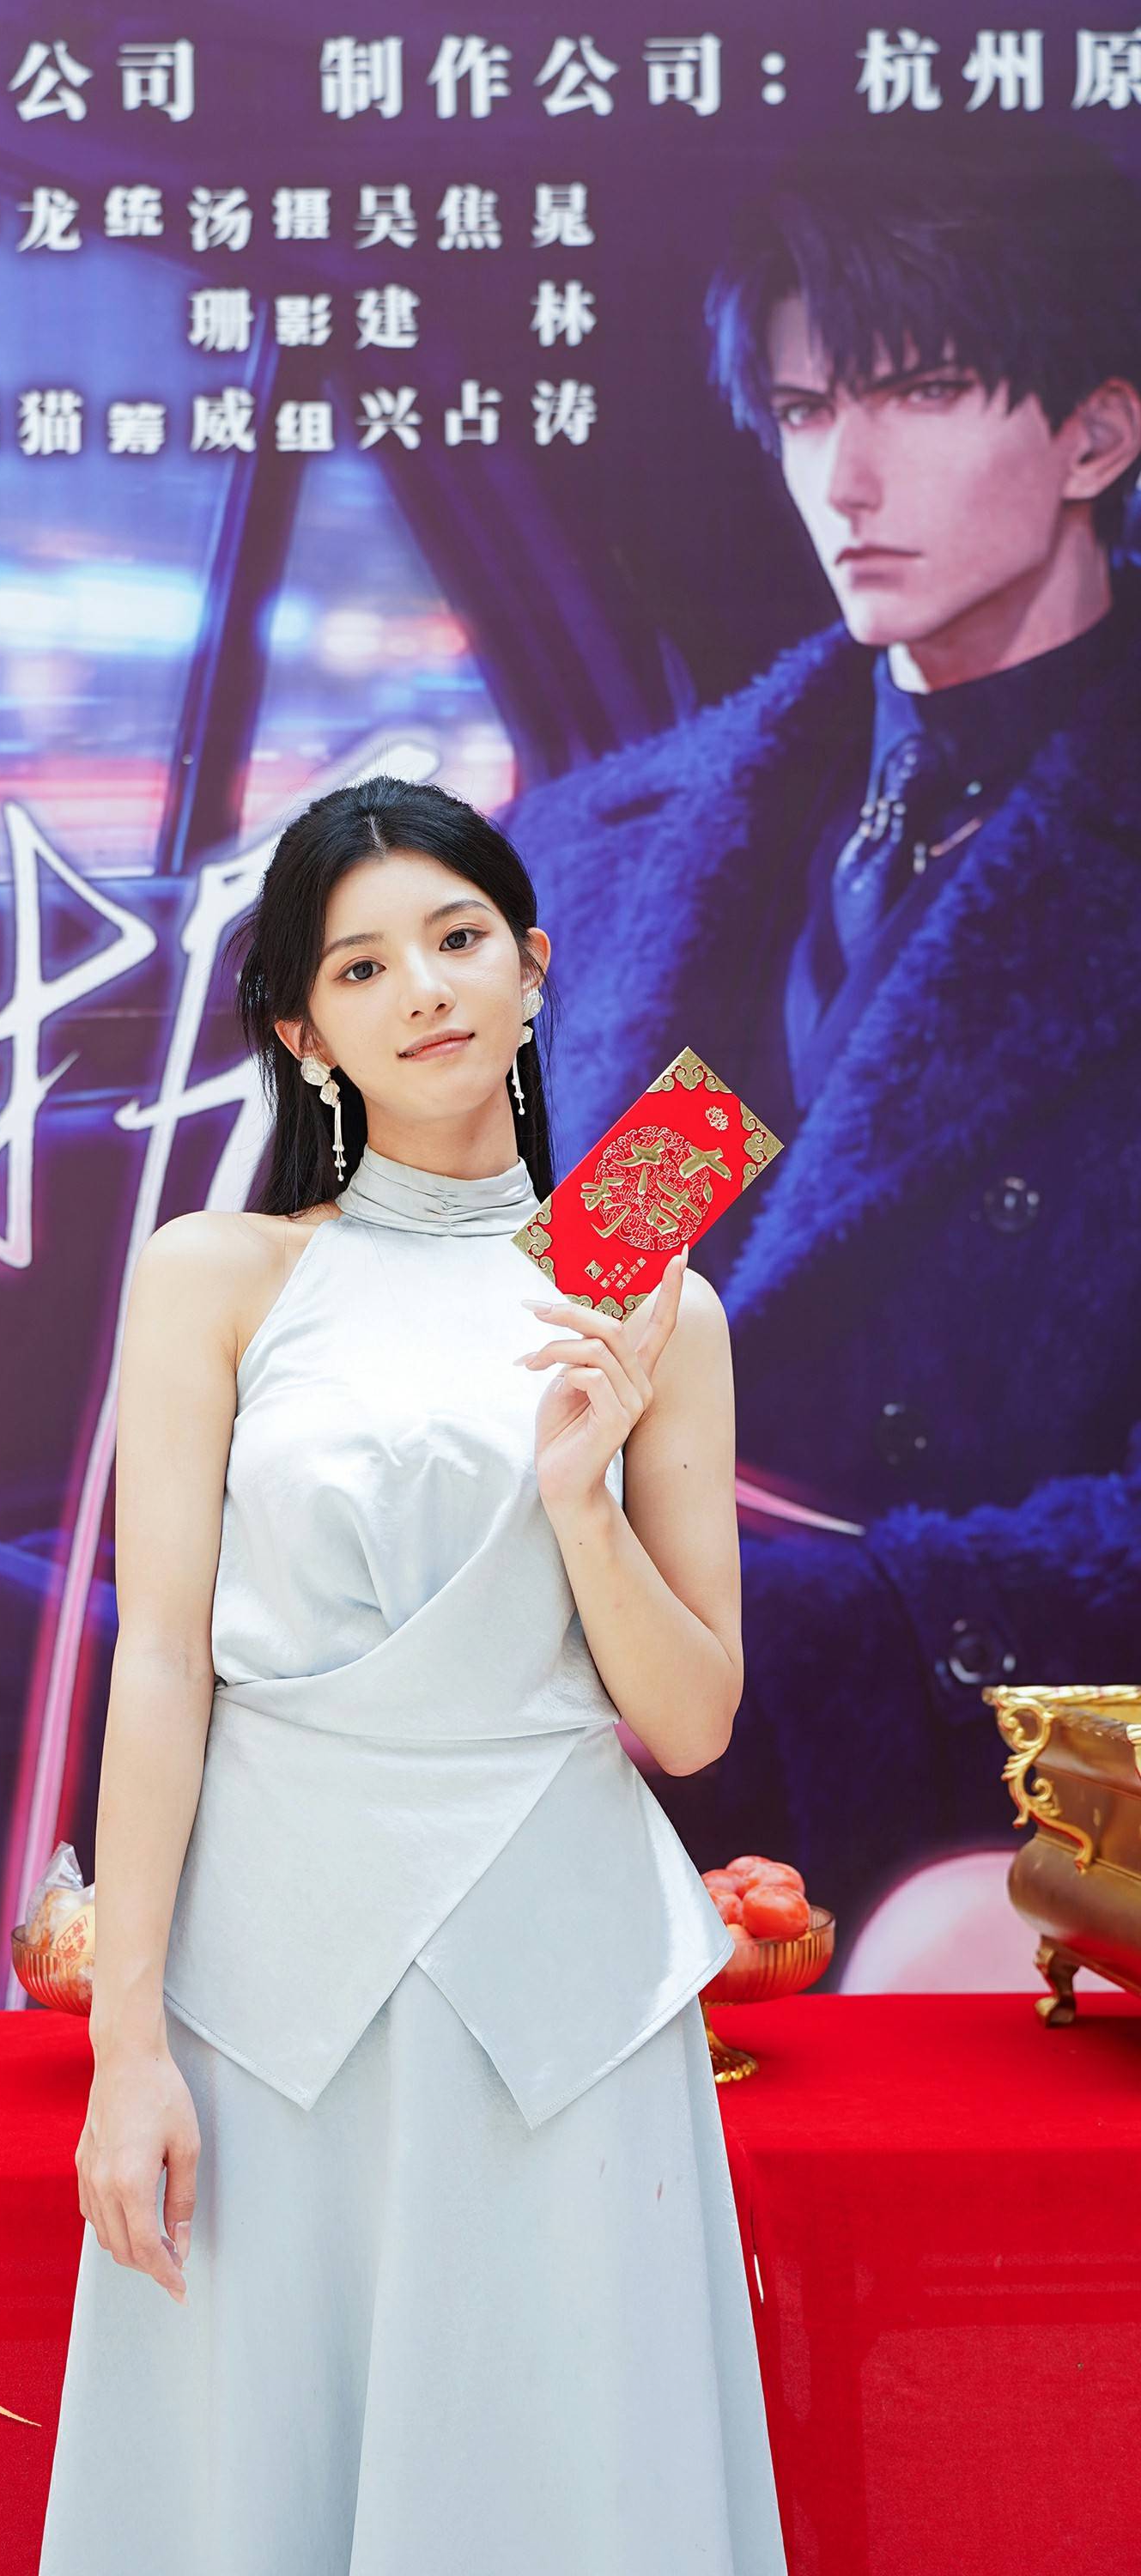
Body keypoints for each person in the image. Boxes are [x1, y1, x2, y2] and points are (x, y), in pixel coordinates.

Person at [36, 776, 788, 2573]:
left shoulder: (647, 1293)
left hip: (561, 1984)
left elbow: (691, 1722)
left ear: (533, 965)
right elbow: (162, 1665)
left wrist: (580, 1500)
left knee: (571, 2489)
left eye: (458, 940)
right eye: (360, 967)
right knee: (252, 2486)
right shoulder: (217, 1275)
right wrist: (128, 2052)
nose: (425, 989)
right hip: (269, 1984)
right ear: (304, 1033)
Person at [501, 125, 1141, 1960]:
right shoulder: (693, 843)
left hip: (945, 1724)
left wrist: (796, 1638)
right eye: (803, 410)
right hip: (591, 1643)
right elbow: (616, 1263)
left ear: (1094, 438)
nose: (846, 478)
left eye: (923, 393)